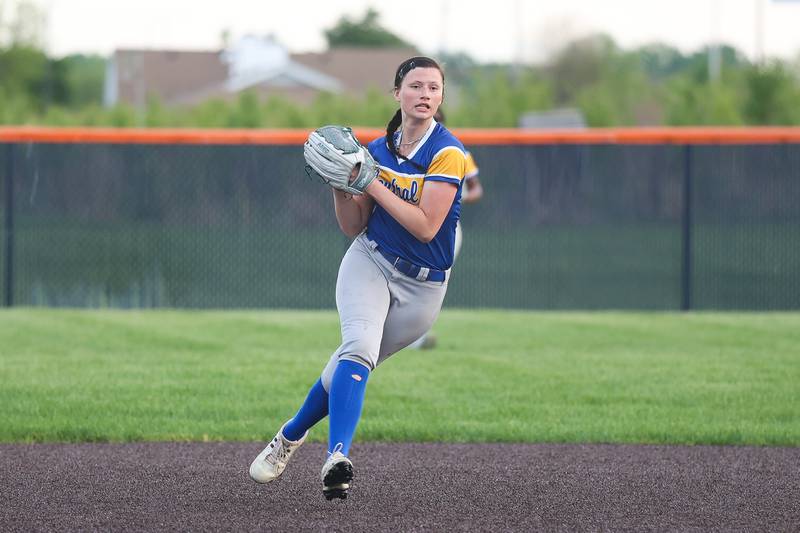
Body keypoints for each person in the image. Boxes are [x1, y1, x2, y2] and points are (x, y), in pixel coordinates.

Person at [248, 56, 467, 501]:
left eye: (434, 87)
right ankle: (337, 457)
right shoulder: (375, 151)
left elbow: (426, 226)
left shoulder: (448, 152)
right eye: (416, 86)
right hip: (371, 261)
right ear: (397, 93)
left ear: (441, 96)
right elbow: (353, 226)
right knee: (359, 349)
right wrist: (341, 184)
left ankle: (290, 435)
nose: (425, 94)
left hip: (424, 288)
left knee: (346, 368)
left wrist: (369, 182)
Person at [407, 108, 483, 350]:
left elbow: (477, 189)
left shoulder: (457, 152)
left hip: (446, 227)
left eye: (437, 119)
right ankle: (400, 330)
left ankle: (417, 334)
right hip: (409, 222)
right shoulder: (406, 149)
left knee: (435, 278)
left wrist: (457, 195)